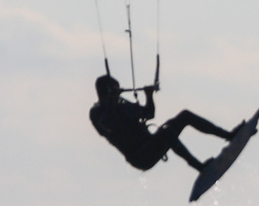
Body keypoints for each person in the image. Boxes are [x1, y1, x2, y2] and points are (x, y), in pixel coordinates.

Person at [87, 72, 232, 175]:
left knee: (185, 116)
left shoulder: (122, 104)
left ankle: (228, 135)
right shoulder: (96, 112)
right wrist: (111, 102)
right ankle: (200, 167)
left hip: (151, 143)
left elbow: (148, 114)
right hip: (140, 157)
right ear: (107, 92)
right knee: (167, 132)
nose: (119, 94)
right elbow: (107, 125)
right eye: (115, 90)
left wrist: (149, 96)